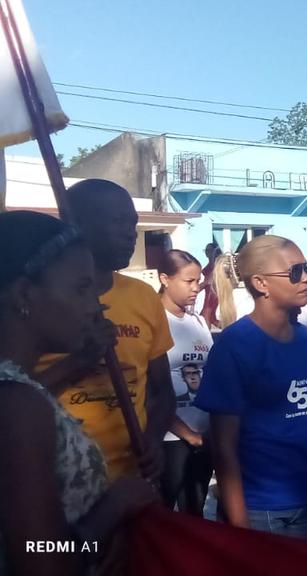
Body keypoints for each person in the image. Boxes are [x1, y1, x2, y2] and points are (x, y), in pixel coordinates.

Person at [0, 211, 159, 575]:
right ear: (25, 293)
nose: (94, 307)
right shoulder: (19, 404)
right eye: (81, 288)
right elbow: (40, 557)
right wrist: (112, 510)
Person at [194, 235, 307, 542]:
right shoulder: (234, 347)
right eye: (295, 271)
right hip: (263, 511)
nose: (306, 278)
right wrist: (240, 527)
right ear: (261, 283)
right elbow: (224, 447)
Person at [35, 179, 175, 484]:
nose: (130, 233)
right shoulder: (40, 298)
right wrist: (77, 363)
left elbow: (162, 389)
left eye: (134, 223)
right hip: (56, 484)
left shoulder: (144, 296)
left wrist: (153, 440)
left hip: (131, 481)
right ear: (76, 223)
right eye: (118, 221)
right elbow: (11, 392)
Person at [158, 249, 215, 516]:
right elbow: (150, 387)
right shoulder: (155, 320)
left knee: (196, 510)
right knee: (164, 510)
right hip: (170, 437)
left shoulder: (198, 321)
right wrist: (186, 434)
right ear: (165, 279)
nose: (196, 288)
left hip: (204, 435)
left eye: (199, 281)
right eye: (189, 281)